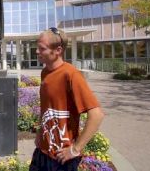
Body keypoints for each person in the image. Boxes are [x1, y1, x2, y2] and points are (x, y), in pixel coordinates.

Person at [29, 27, 104, 171]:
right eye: (37, 47)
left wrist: (75, 149)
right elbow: (46, 108)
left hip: (62, 158)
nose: (37, 52)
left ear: (58, 50)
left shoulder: (71, 75)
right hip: (42, 152)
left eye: (42, 48)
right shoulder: (45, 72)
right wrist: (40, 133)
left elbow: (97, 115)